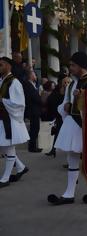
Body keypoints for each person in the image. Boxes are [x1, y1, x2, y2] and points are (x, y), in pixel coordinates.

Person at [47, 52, 87, 205]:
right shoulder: (72, 83)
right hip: (72, 123)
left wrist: (82, 98)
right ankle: (69, 193)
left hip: (83, 125)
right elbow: (65, 102)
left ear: (81, 66)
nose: (70, 68)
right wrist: (66, 106)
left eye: (73, 65)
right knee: (72, 158)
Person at [0, 57, 29, 188]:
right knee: (4, 147)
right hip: (2, 118)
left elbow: (19, 104)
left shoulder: (14, 82)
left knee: (9, 147)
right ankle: (21, 167)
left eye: (1, 64)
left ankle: (5, 178)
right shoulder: (1, 81)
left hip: (10, 120)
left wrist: (2, 101)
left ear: (8, 66)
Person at [45, 73, 71, 157]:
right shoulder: (58, 89)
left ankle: (55, 150)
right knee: (58, 132)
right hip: (60, 114)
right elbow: (51, 100)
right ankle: (53, 149)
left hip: (67, 115)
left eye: (67, 82)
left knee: (62, 133)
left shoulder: (68, 89)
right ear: (61, 82)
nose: (66, 83)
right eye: (65, 82)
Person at [23, 69, 43, 152]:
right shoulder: (28, 85)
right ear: (31, 76)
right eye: (34, 75)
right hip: (32, 110)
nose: (36, 76)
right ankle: (32, 147)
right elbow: (34, 97)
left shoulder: (32, 85)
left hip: (35, 110)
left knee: (35, 129)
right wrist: (40, 99)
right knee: (34, 129)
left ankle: (33, 146)